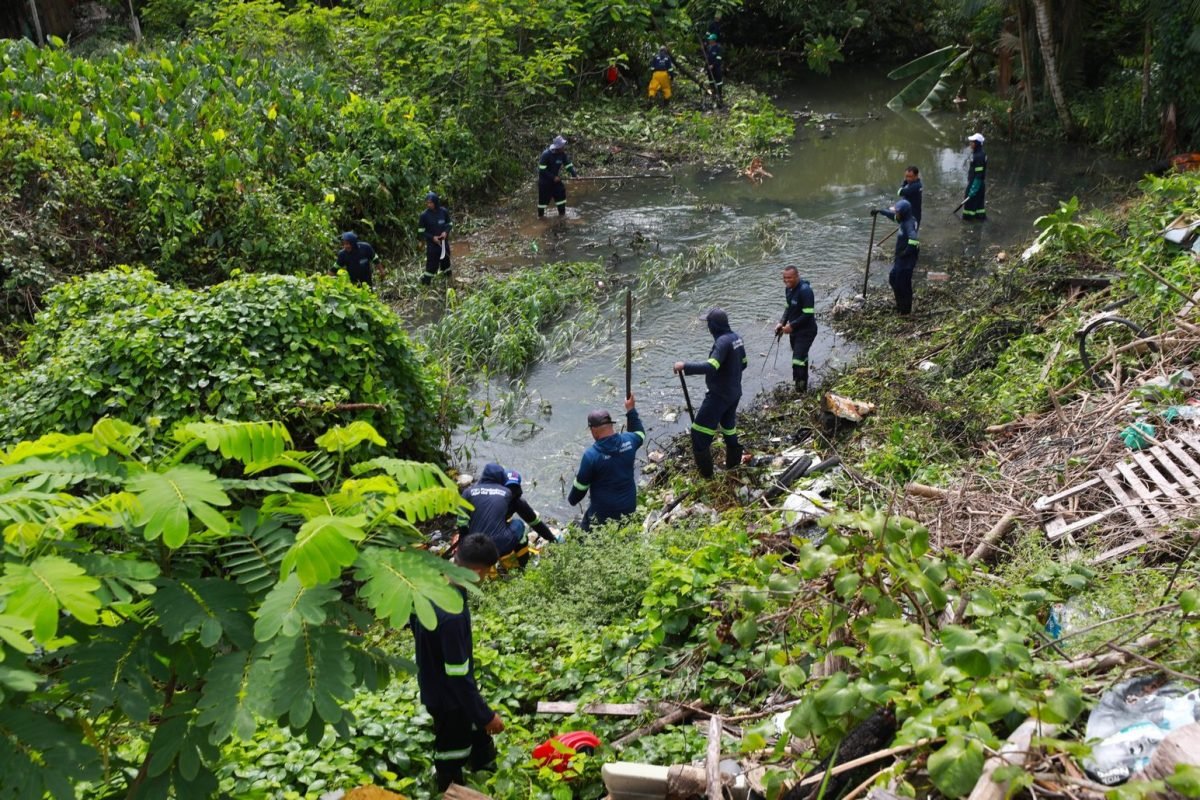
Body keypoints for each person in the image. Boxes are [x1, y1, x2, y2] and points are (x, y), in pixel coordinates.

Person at [411, 533, 503, 792]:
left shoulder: (433, 583)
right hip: (448, 699)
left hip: (434, 683)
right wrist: (487, 716)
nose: (485, 578)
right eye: (486, 573)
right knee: (452, 751)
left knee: (475, 733)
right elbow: (459, 677)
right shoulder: (452, 615)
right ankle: (451, 790)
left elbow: (412, 619)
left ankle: (486, 771)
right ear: (475, 571)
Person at [674, 308, 747, 477]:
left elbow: (711, 367)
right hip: (734, 392)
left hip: (719, 396)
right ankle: (733, 467)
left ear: (713, 326)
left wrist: (684, 366)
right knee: (729, 428)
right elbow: (743, 363)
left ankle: (707, 477)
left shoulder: (721, 342)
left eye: (708, 324)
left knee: (698, 434)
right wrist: (730, 376)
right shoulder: (737, 338)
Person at [567, 394, 645, 530]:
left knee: (583, 533)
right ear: (611, 426)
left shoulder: (591, 456)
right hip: (629, 511)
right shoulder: (629, 441)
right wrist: (631, 410)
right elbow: (640, 433)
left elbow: (576, 496)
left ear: (593, 430)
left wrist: (571, 496)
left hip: (603, 517)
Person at [457, 463, 558, 567]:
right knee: (519, 525)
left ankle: (522, 563)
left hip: (478, 544)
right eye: (508, 487)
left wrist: (552, 539)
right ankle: (523, 564)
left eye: (514, 488)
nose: (511, 491)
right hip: (488, 545)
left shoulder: (515, 501)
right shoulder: (503, 497)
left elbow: (535, 522)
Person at [871, 198, 920, 315]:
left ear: (903, 213)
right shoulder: (903, 219)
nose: (895, 214)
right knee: (893, 278)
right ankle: (900, 305)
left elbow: (914, 240)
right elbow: (892, 216)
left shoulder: (909, 224)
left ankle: (905, 310)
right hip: (901, 258)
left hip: (907, 260)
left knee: (903, 284)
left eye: (897, 212)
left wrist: (906, 252)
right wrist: (880, 211)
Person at [775, 266, 817, 392]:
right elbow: (788, 308)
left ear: (797, 276)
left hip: (806, 331)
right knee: (801, 358)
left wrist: (791, 326)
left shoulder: (805, 291)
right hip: (795, 331)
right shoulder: (788, 289)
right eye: (785, 278)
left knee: (797, 359)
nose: (787, 280)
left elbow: (808, 314)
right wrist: (781, 323)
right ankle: (801, 386)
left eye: (790, 278)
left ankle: (800, 390)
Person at [537, 135, 577, 218]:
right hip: (545, 182)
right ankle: (540, 218)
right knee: (543, 202)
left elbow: (568, 165)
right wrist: (553, 177)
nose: (564, 147)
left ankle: (562, 215)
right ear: (558, 147)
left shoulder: (562, 154)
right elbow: (542, 170)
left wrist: (574, 175)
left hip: (555, 181)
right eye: (562, 146)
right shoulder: (546, 154)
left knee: (561, 195)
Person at [418, 191, 452, 285]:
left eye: (431, 203)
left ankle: (448, 283)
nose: (429, 205)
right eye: (427, 203)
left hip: (444, 243)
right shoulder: (424, 216)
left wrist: (446, 232)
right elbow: (421, 231)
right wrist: (432, 237)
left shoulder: (443, 212)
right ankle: (425, 284)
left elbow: (449, 224)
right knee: (431, 266)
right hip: (432, 245)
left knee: (446, 263)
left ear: (436, 202)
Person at [963, 133, 987, 221]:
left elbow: (979, 174)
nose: (970, 144)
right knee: (979, 206)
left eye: (972, 142)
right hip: (979, 184)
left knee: (969, 205)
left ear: (976, 143)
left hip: (976, 183)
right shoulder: (980, 153)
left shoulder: (979, 156)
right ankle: (980, 223)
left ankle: (967, 224)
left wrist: (973, 188)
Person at [703, 33, 724, 107]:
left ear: (714, 40)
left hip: (716, 68)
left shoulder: (718, 47)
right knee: (711, 82)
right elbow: (707, 58)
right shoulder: (709, 47)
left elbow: (718, 58)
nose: (709, 41)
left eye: (710, 39)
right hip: (709, 69)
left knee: (718, 83)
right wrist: (706, 66)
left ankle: (720, 96)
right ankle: (713, 96)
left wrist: (713, 65)